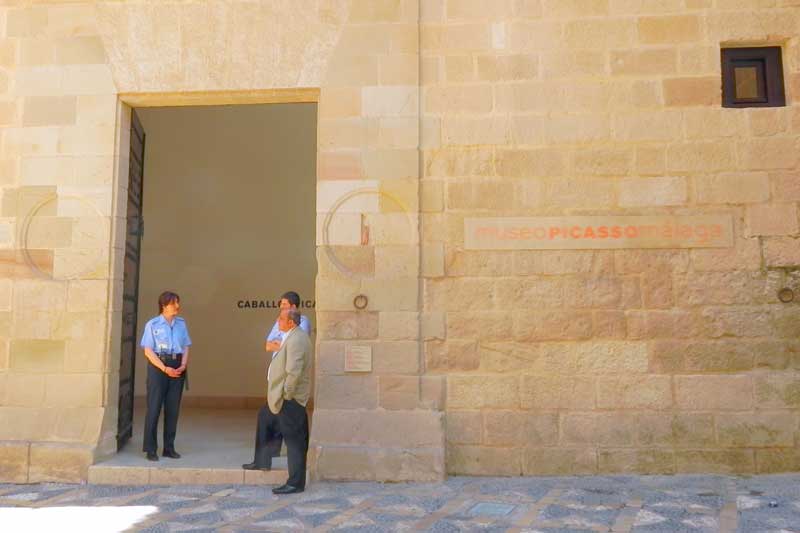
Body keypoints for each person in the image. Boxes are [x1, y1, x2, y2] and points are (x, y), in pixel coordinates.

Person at [246, 309, 312, 494]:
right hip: (281, 397)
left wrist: (286, 395)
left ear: (291, 322)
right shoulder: (291, 336)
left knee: (294, 441)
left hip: (288, 399)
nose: (278, 321)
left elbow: (294, 371)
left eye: (281, 318)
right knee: (266, 418)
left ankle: (295, 483)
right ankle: (262, 460)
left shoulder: (296, 339)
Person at [140, 291, 191, 461]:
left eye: (178, 302)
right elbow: (148, 350)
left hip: (177, 367)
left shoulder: (181, 324)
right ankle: (151, 449)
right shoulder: (152, 325)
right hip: (158, 367)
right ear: (164, 305)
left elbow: (185, 346)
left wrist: (183, 365)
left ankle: (169, 447)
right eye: (173, 303)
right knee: (154, 408)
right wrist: (164, 368)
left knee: (172, 409)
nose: (177, 306)